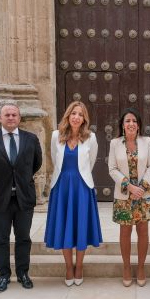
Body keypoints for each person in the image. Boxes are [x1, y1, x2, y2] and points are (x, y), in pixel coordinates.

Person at [0, 103, 42, 292]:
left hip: (24, 197)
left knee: (23, 238)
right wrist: (1, 180)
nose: (11, 117)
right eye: (7, 114)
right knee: (0, 239)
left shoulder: (31, 139)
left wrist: (20, 178)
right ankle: (3, 275)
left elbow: (36, 163)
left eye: (14, 114)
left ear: (20, 118)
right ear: (0, 118)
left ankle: (23, 273)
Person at [44, 101, 103, 286]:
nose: (76, 117)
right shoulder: (56, 136)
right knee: (65, 227)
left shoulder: (91, 138)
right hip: (62, 187)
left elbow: (90, 162)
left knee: (80, 227)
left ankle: (79, 266)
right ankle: (69, 267)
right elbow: (55, 160)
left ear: (84, 118)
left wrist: (81, 177)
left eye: (80, 114)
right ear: (68, 116)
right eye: (73, 113)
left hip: (82, 187)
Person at [108, 108, 150, 287]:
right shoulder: (114, 143)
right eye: (127, 121)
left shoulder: (147, 141)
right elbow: (112, 168)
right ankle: (127, 267)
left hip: (144, 194)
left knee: (143, 231)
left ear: (139, 125)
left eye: (134, 121)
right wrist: (129, 186)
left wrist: (141, 187)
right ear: (122, 125)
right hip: (124, 195)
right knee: (125, 232)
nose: (131, 124)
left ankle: (141, 267)